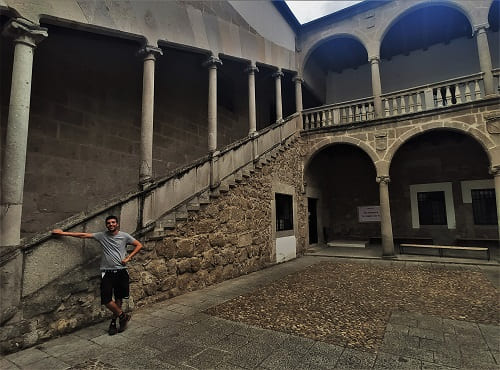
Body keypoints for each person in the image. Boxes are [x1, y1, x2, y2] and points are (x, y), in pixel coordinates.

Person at [52, 215, 143, 335]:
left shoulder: (124, 236)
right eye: (109, 223)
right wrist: (63, 233)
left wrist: (128, 258)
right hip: (107, 272)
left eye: (113, 222)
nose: (111, 224)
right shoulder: (102, 236)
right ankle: (123, 316)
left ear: (117, 224)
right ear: (107, 225)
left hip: (121, 271)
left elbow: (139, 245)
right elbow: (83, 235)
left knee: (118, 298)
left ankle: (114, 322)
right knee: (106, 299)